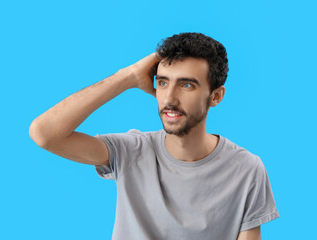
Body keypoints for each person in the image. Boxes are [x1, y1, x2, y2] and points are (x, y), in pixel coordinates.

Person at [29, 32, 280, 240]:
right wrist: (126, 77)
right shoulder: (131, 151)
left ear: (215, 96)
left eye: (187, 85)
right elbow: (45, 134)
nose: (169, 98)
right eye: (162, 82)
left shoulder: (247, 169)